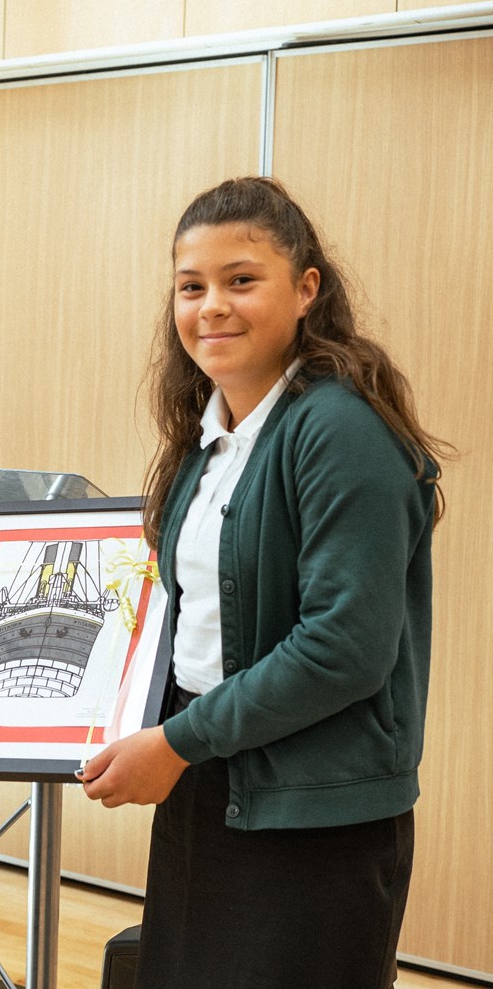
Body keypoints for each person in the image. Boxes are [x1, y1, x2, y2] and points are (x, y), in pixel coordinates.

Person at [76, 176, 448, 988]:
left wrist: (173, 743)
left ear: (306, 289)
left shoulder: (339, 428)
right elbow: (194, 620)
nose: (213, 306)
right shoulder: (209, 438)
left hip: (312, 817)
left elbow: (344, 648)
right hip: (206, 788)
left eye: (241, 280)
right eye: (191, 286)